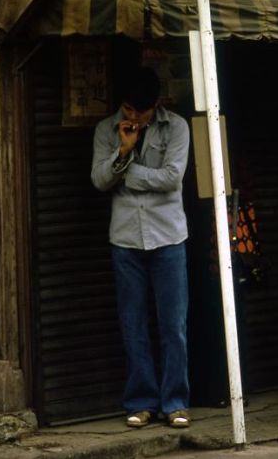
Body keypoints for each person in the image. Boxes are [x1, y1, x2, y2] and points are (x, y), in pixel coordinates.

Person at [90, 67, 192, 428]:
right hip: (126, 239)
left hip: (169, 237)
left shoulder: (176, 127)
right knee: (133, 323)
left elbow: (172, 178)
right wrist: (124, 150)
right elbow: (100, 180)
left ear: (156, 105)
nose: (134, 117)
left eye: (141, 112)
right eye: (129, 109)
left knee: (173, 325)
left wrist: (127, 173)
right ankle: (141, 402)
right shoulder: (107, 130)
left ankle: (175, 402)